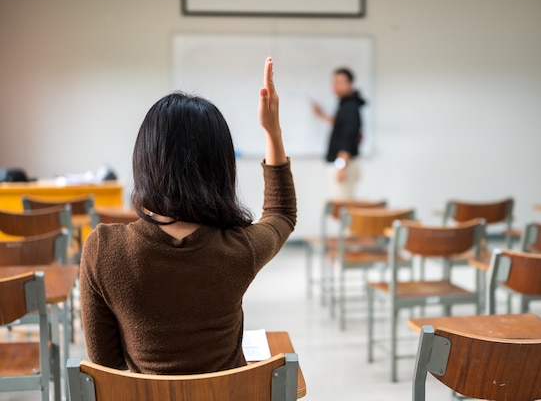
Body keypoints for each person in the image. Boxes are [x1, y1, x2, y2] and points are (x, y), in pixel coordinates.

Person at [80, 58, 296, 374]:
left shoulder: (103, 249)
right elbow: (281, 214)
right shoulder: (239, 249)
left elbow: (105, 365)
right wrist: (273, 132)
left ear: (144, 159)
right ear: (221, 168)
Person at [312, 67, 366, 199]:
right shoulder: (346, 104)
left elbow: (349, 134)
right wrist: (322, 115)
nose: (336, 86)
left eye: (341, 82)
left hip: (344, 164)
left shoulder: (350, 106)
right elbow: (341, 124)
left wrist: (341, 165)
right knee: (342, 204)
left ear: (350, 85)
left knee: (343, 206)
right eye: (334, 82)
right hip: (343, 163)